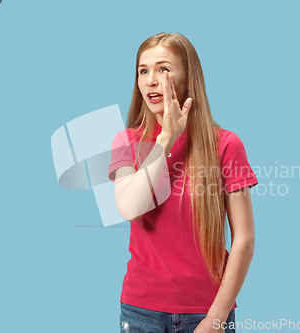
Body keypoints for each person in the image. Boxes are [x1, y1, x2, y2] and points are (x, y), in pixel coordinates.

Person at [108, 32, 258, 333]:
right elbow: (129, 208)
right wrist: (165, 140)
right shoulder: (126, 141)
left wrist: (216, 319)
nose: (151, 80)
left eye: (163, 69)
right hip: (140, 313)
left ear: (188, 77)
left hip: (206, 311)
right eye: (143, 70)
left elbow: (244, 239)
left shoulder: (227, 145)